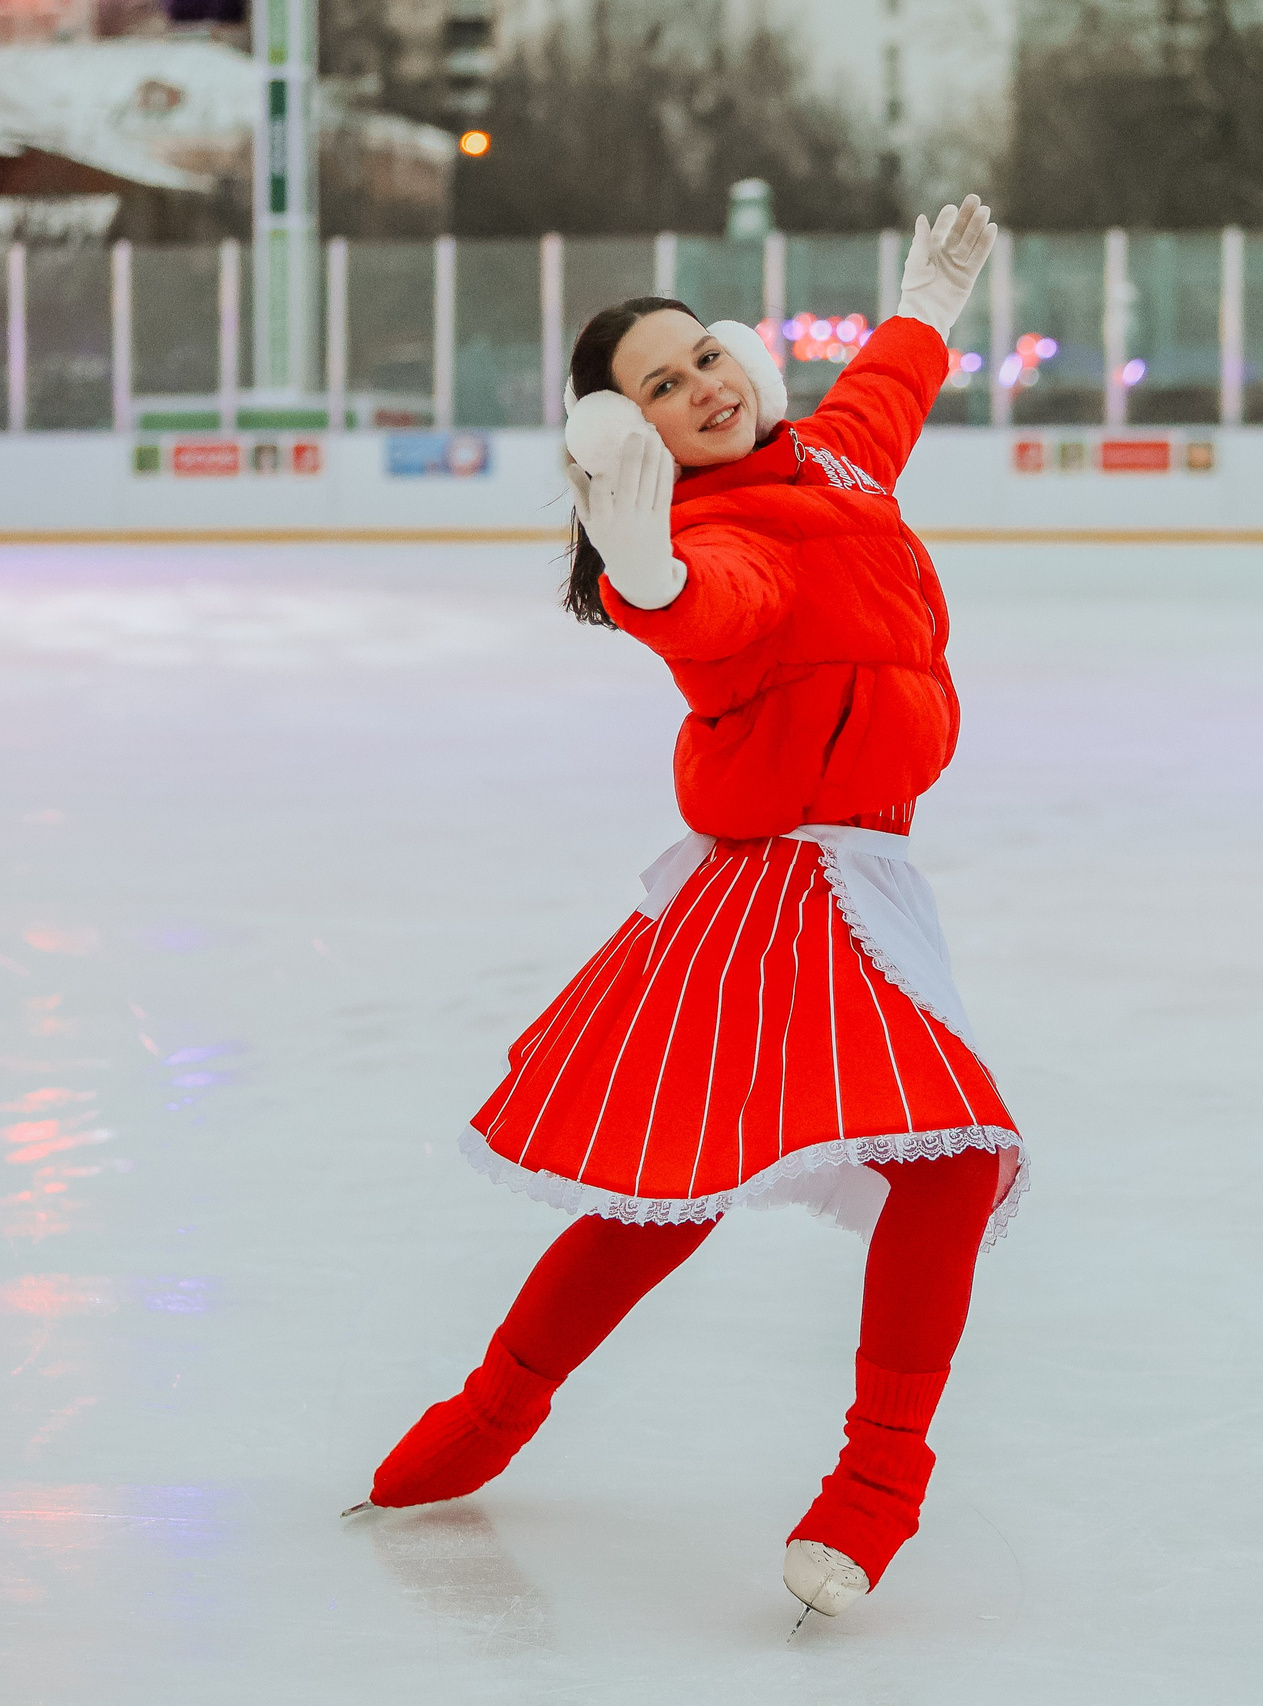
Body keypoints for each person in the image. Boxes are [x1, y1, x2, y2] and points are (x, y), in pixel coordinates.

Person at [350, 198, 1022, 1626]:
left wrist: (927, 304)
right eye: (663, 387)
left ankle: (486, 1415)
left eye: (704, 355)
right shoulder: (719, 534)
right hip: (794, 884)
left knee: (672, 1187)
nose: (704, 386)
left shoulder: (829, 455)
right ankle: (874, 1491)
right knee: (940, 1166)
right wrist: (645, 567)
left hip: (852, 874)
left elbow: (885, 392)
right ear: (639, 441)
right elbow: (707, 605)